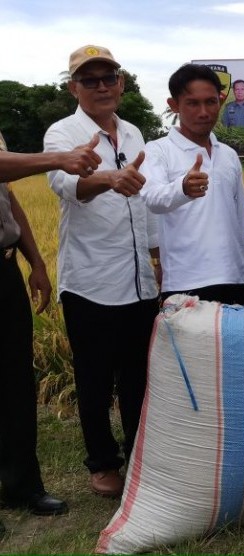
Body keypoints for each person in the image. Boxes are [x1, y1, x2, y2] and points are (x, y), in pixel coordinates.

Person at [43, 45, 160, 498]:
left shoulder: (133, 133)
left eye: (108, 77)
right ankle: (102, 462)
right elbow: (67, 187)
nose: (100, 87)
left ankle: (138, 453)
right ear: (74, 87)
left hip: (137, 280)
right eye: (89, 80)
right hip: (90, 279)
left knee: (137, 376)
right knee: (93, 377)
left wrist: (156, 259)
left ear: (122, 83)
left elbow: (145, 203)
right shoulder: (62, 132)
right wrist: (105, 179)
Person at [0, 132, 101, 527]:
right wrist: (58, 158)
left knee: (16, 380)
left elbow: (7, 198)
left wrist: (35, 262)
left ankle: (22, 485)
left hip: (5, 267)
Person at [142, 64, 244, 306]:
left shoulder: (228, 155)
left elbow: (242, 223)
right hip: (185, 285)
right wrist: (182, 188)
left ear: (221, 101)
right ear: (174, 105)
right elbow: (152, 198)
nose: (204, 112)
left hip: (235, 280)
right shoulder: (158, 150)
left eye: (211, 102)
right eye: (193, 103)